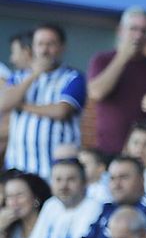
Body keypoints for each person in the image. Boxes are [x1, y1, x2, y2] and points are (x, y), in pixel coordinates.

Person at [1, 25, 86, 179]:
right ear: (33, 48)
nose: (44, 50)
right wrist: (36, 73)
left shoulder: (73, 77)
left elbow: (61, 111)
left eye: (50, 44)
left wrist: (23, 106)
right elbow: (4, 103)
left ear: (62, 47)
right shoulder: (19, 77)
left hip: (56, 172)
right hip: (19, 167)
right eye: (40, 44)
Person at [87, 8, 146, 155]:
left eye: (145, 31)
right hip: (107, 150)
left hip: (141, 153)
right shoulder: (102, 60)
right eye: (133, 29)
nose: (138, 36)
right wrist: (123, 57)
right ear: (120, 31)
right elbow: (96, 93)